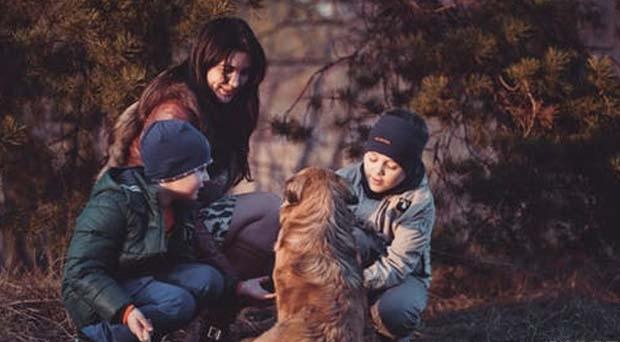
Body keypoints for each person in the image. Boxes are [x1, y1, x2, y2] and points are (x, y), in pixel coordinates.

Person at [101, 17, 278, 303]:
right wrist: (230, 278)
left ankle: (217, 317)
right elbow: (166, 207)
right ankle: (214, 311)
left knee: (270, 216)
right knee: (270, 210)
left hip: (186, 220)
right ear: (205, 60)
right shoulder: (173, 114)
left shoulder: (223, 106)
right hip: (154, 233)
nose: (236, 82)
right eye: (227, 70)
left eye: (244, 73)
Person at [62, 120, 226, 342]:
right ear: (172, 173)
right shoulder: (115, 202)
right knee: (179, 303)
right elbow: (80, 270)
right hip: (97, 298)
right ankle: (94, 337)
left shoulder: (179, 203)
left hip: (140, 276)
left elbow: (196, 255)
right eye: (199, 169)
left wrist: (237, 287)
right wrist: (125, 310)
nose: (206, 178)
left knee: (209, 279)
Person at [336, 109, 435, 342]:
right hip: (349, 266)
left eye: (390, 166)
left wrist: (350, 282)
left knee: (397, 311)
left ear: (409, 167)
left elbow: (398, 265)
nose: (378, 171)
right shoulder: (343, 179)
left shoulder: (418, 203)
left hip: (399, 277)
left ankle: (390, 334)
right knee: (354, 238)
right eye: (372, 159)